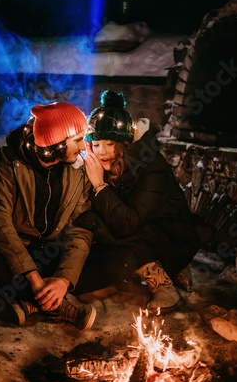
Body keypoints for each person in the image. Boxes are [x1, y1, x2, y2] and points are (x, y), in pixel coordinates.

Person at [0, 102, 96, 330]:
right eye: (77, 140)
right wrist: (32, 277)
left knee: (114, 259)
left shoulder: (77, 169)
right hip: (18, 255)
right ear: (58, 142)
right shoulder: (8, 161)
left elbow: (80, 227)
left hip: (53, 253)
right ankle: (55, 304)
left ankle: (31, 301)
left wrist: (64, 279)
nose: (84, 147)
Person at [76, 90, 200, 312]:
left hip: (171, 237)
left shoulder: (151, 165)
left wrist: (99, 185)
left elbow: (128, 223)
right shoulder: (102, 162)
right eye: (95, 145)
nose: (101, 152)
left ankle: (164, 283)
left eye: (109, 143)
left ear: (123, 144)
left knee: (104, 224)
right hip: (137, 229)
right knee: (92, 221)